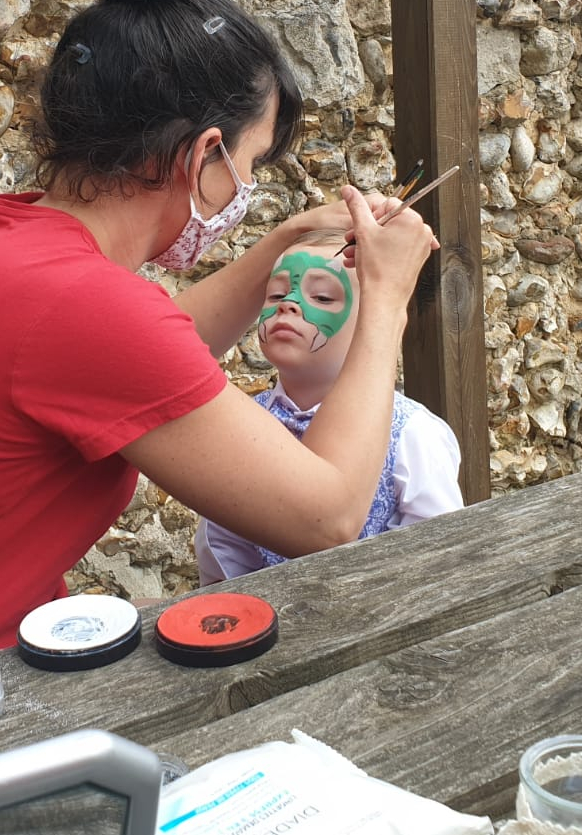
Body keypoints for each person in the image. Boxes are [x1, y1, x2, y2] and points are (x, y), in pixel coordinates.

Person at [0, 0, 437, 678]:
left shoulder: (1, 239)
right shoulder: (84, 307)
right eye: (251, 165)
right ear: (205, 153)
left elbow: (143, 358)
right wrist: (385, 297)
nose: (246, 191)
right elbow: (326, 518)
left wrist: (286, 238)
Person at [195, 229, 463, 584]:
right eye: (276, 294)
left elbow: (437, 555)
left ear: (373, 320)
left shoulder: (414, 433)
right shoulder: (239, 424)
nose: (289, 304)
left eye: (322, 296)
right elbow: (223, 549)